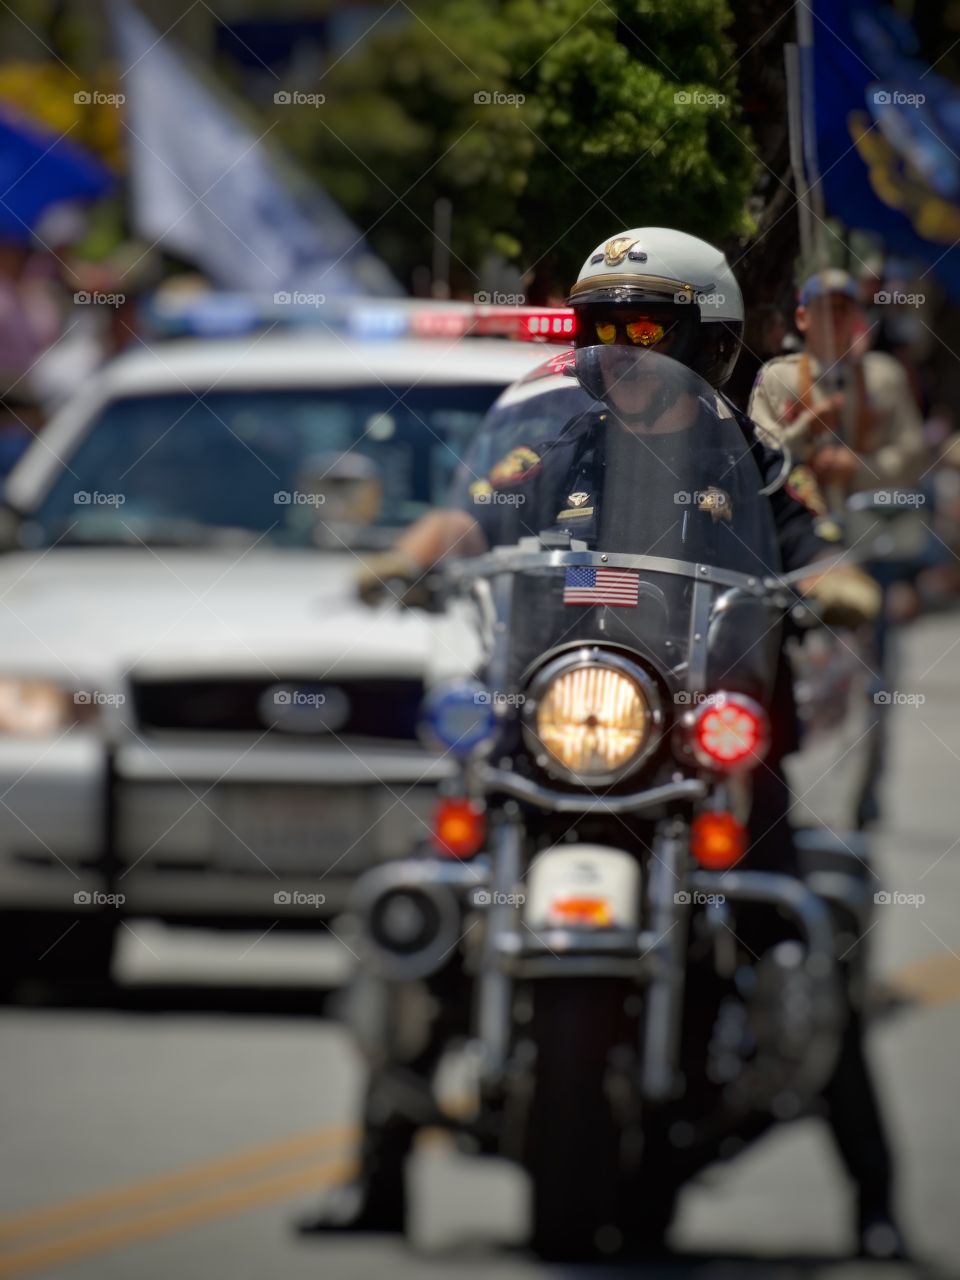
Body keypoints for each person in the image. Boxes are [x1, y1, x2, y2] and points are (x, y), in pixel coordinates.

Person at [305, 230, 905, 1260]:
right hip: (554, 733)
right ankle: (377, 1174)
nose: (621, 353)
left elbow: (811, 549)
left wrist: (835, 582)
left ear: (710, 343)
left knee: (802, 937)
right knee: (430, 910)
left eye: (646, 330)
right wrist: (405, 558)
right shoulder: (554, 446)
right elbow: (467, 519)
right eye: (601, 331)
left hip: (701, 755)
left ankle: (877, 1202)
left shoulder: (754, 462)